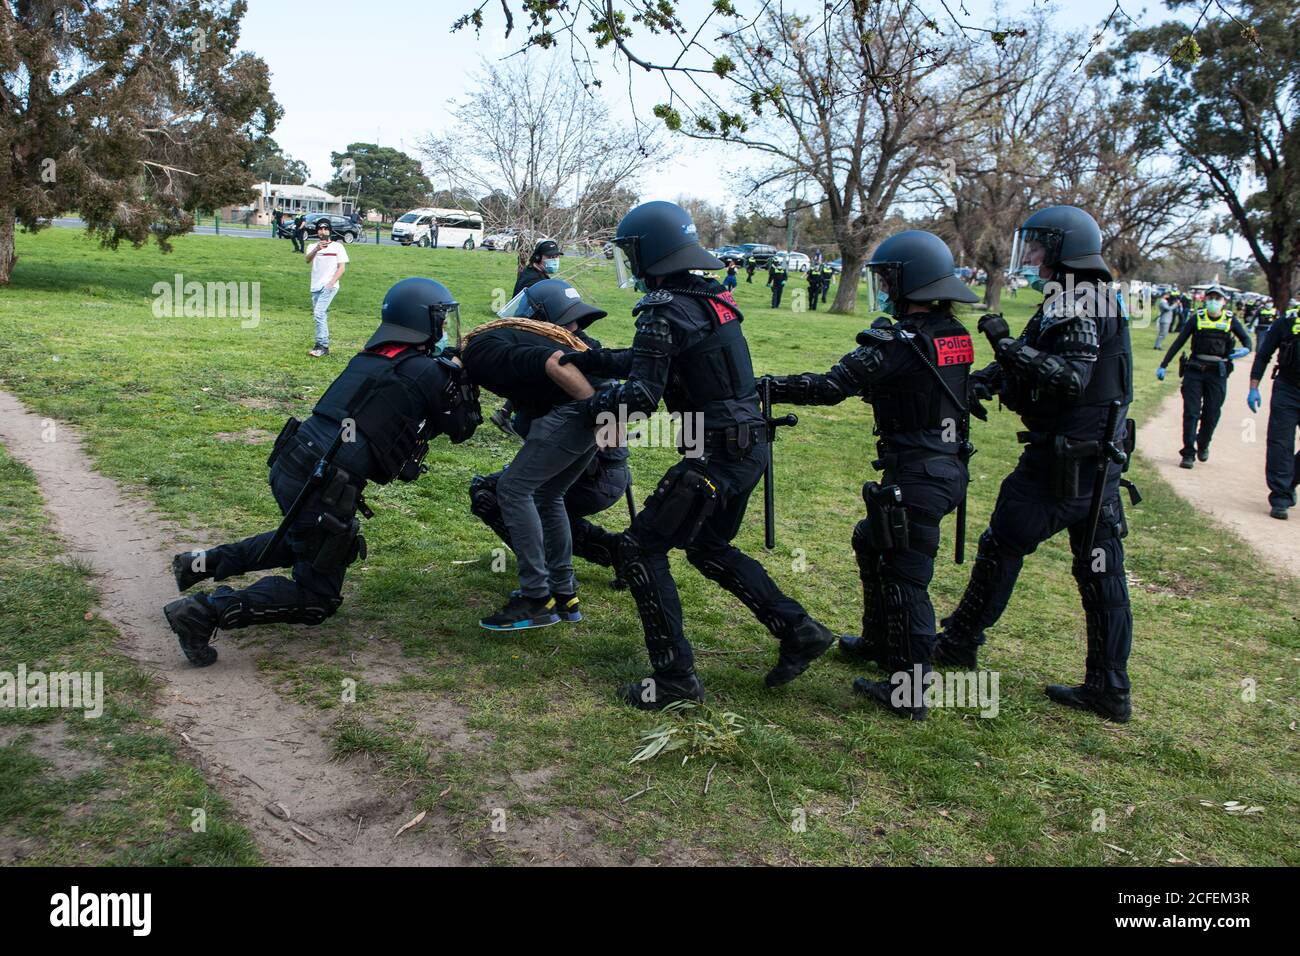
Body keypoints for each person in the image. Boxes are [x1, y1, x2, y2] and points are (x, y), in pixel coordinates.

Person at [561, 201, 835, 708]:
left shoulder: (663, 307)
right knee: (709, 548)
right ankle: (800, 630)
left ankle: (675, 682)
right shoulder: (708, 296)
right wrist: (589, 356)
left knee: (638, 550)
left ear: (650, 253)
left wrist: (581, 400)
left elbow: (642, 396)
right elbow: (655, 360)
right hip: (750, 446)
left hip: (715, 455)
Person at [163, 279, 481, 666]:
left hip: (294, 460)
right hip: (322, 479)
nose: (446, 326)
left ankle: (201, 563)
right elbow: (462, 428)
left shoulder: (375, 355)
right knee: (317, 596)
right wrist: (464, 379)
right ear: (424, 321)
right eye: (441, 318)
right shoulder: (426, 371)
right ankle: (201, 613)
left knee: (306, 538)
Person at [934, 205, 1138, 722]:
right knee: (1100, 572)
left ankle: (960, 641)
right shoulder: (1079, 297)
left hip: (1065, 463)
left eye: (1041, 244)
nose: (1034, 253)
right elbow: (1023, 361)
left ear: (1064, 248)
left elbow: (1068, 379)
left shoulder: (1079, 300)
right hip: (1094, 461)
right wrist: (973, 384)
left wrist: (1002, 343)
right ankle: (1109, 687)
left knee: (1003, 543)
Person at [763, 231, 979, 719]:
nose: (882, 285)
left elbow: (831, 387)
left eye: (887, 277)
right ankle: (880, 640)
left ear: (910, 282)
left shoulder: (900, 341)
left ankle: (909, 691)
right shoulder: (952, 333)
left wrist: (766, 387)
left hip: (920, 474)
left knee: (907, 575)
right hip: (943, 466)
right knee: (870, 540)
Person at [469, 279, 632, 593]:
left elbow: (607, 427)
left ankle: (572, 566)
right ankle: (562, 579)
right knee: (537, 494)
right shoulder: (585, 349)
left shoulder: (568, 360)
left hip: (593, 479)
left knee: (502, 494)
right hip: (601, 474)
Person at [1156, 284, 1251, 468]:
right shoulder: (1197, 318)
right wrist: (1163, 364)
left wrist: (1246, 349)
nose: (1213, 301)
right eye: (1210, 298)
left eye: (1218, 298)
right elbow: (1179, 342)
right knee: (1191, 413)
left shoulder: (1230, 320)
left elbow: (1246, 339)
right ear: (1205, 300)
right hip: (1195, 370)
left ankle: (1203, 443)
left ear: (1224, 302)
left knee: (1212, 413)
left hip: (1217, 373)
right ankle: (1188, 453)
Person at [1248, 305, 1300, 519]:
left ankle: (1289, 483)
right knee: (1281, 443)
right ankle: (1279, 497)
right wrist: (1253, 387)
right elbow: (1264, 355)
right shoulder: (1286, 322)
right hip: (1287, 389)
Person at [305, 219, 348, 357]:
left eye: (325, 229)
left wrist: (332, 283)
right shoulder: (312, 246)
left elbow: (342, 268)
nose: (323, 231)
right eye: (320, 229)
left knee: (318, 313)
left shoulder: (338, 247)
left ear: (330, 230)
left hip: (329, 285)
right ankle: (320, 345)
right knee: (320, 315)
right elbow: (307, 260)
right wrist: (317, 249)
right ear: (317, 231)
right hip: (315, 285)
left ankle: (323, 346)